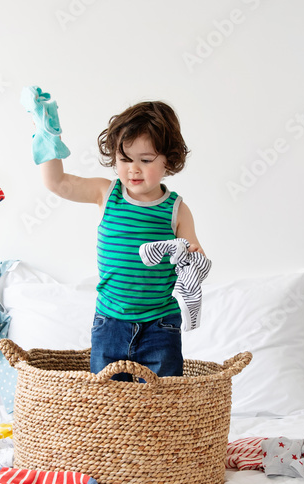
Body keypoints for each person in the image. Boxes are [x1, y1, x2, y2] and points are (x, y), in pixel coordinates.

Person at [35, 98, 204, 380]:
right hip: (110, 323)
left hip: (161, 325)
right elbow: (58, 183)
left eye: (145, 160)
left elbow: (195, 257)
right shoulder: (106, 193)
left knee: (162, 403)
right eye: (125, 159)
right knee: (108, 405)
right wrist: (47, 135)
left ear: (168, 161)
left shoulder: (176, 209)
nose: (133, 169)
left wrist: (194, 257)